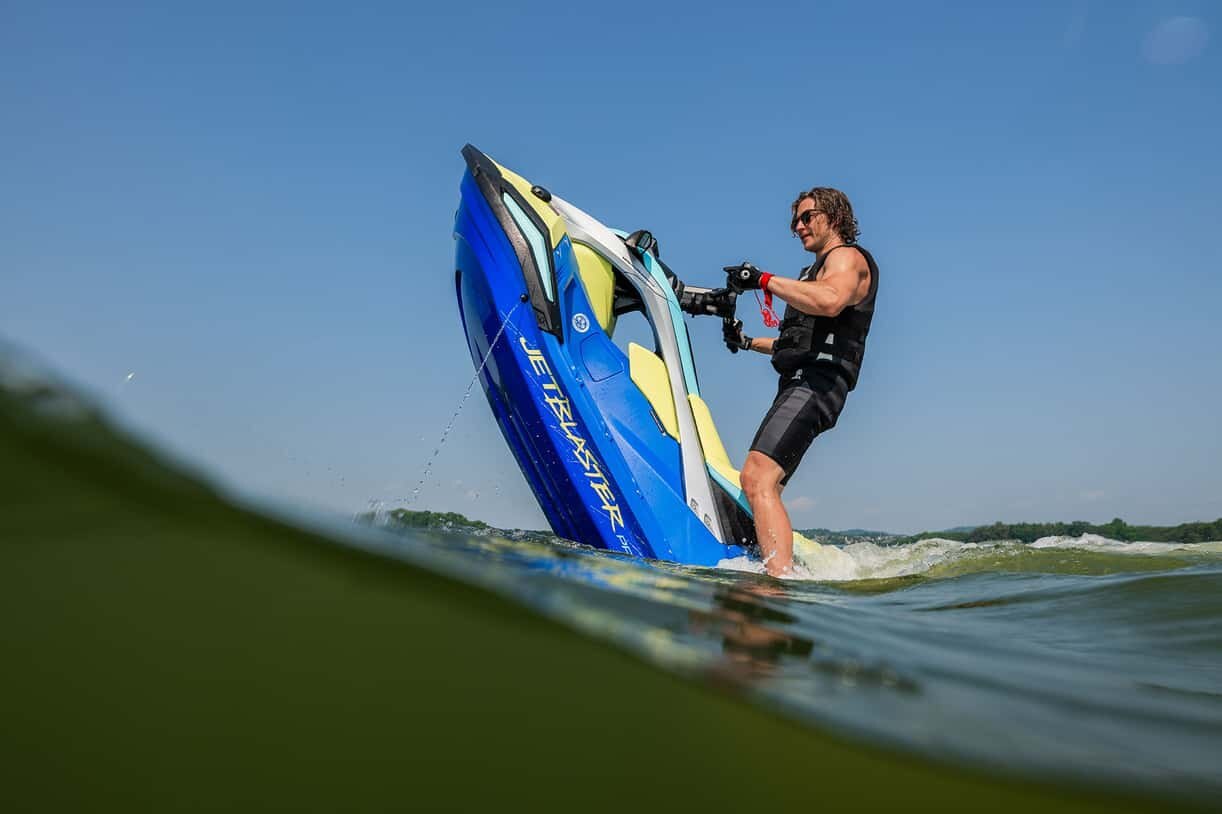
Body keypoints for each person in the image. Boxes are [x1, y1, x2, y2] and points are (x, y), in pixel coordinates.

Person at [721, 189, 879, 577]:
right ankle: (765, 562)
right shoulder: (813, 272)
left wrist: (763, 280)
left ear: (834, 217)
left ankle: (778, 581)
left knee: (757, 477)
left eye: (807, 217)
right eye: (795, 221)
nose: (799, 226)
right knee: (764, 487)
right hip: (801, 382)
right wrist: (745, 342)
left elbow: (830, 300)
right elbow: (792, 344)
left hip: (817, 384)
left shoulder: (846, 258)